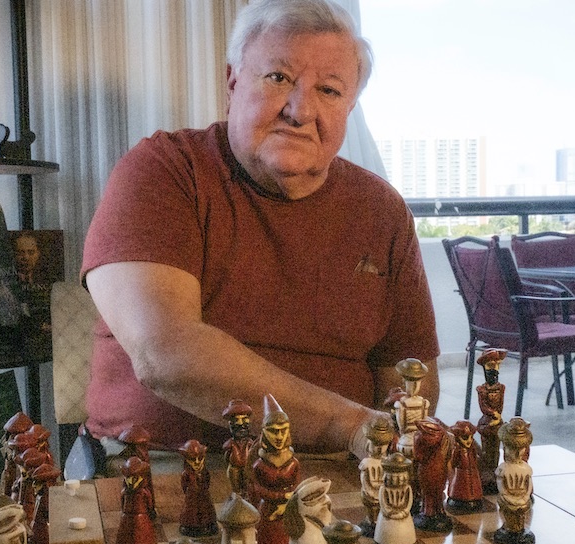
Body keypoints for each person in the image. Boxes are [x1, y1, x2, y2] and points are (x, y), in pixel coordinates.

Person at [76, 0, 439, 475]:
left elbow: (411, 376)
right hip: (167, 468)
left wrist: (389, 436)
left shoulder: (381, 209)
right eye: (278, 78)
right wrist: (351, 426)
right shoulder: (164, 170)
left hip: (339, 471)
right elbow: (167, 355)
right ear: (233, 80)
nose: (299, 109)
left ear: (349, 107)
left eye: (329, 90)